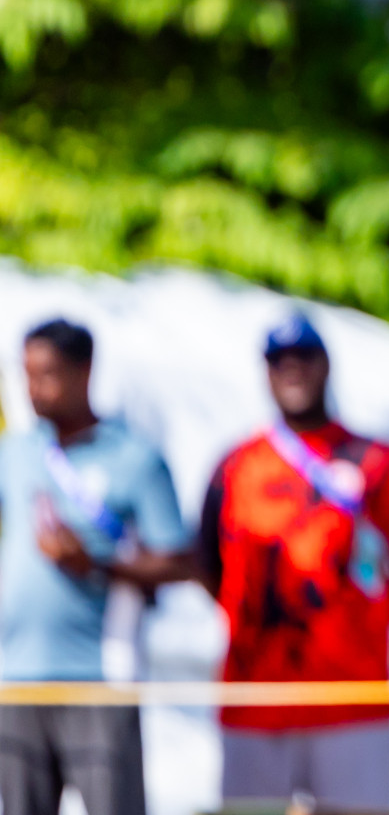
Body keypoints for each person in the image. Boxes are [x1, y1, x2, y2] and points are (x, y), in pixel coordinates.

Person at [196, 314, 389, 812]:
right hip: (255, 700)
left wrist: (360, 625)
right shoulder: (235, 465)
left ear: (325, 364)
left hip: (352, 699)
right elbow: (206, 564)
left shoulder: (379, 462)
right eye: (279, 361)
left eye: (304, 358)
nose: (293, 371)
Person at [0, 319, 192, 815]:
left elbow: (180, 563)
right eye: (27, 374)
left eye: (48, 374)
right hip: (17, 678)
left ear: (84, 373)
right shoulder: (16, 454)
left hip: (99, 675)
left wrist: (96, 565)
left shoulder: (134, 458)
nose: (34, 389)